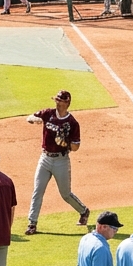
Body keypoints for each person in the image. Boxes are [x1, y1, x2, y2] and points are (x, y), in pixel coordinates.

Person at [24, 90, 90, 234]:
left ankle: (83, 211)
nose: (58, 103)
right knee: (38, 191)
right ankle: (32, 223)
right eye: (57, 100)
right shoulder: (48, 113)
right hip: (45, 159)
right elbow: (30, 117)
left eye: (61, 101)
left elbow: (76, 147)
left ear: (67, 103)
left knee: (65, 194)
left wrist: (65, 143)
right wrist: (36, 120)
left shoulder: (72, 123)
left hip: (61, 160)